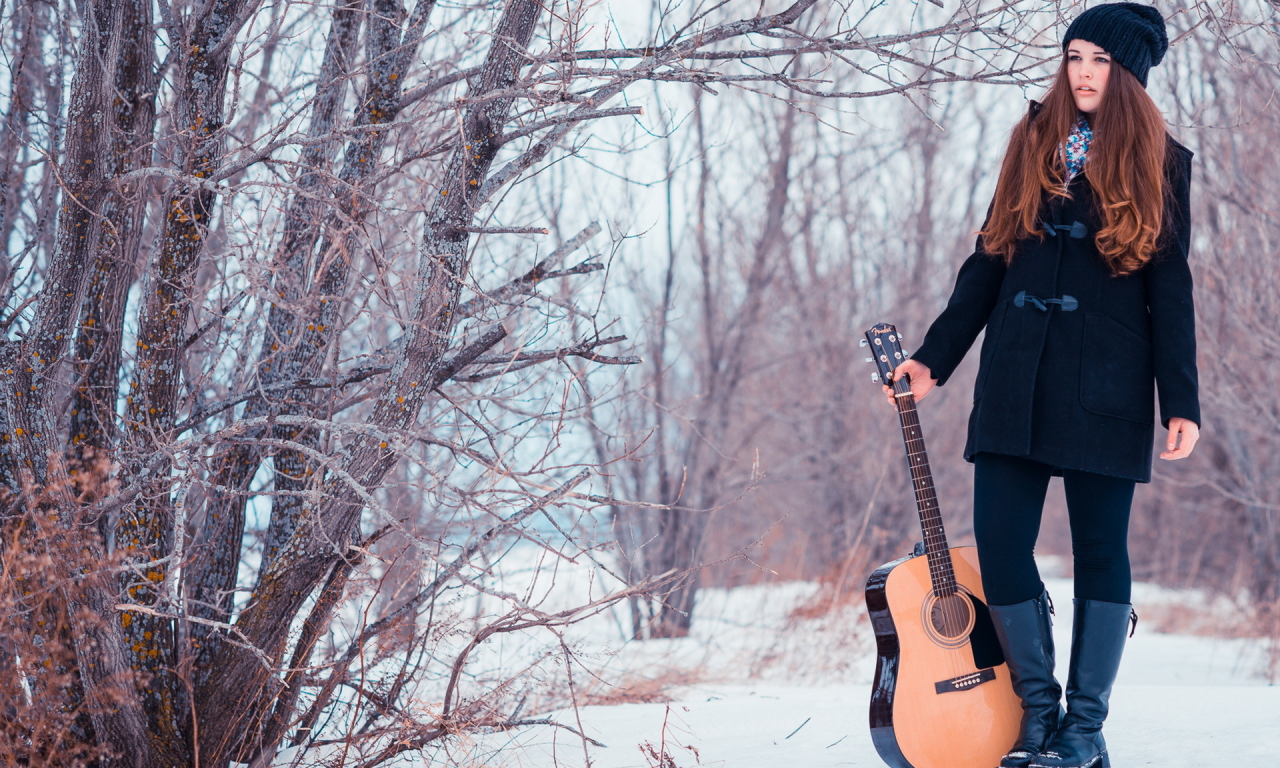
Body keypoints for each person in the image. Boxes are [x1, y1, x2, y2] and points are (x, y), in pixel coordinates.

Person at [882, 4, 1199, 768]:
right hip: (1016, 378)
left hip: (1109, 385)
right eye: (1074, 56)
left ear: (1129, 75)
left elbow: (1172, 287)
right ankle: (1038, 716)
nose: (1083, 72)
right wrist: (932, 358)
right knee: (999, 542)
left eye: (1101, 61)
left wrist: (1180, 400)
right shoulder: (1031, 141)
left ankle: (1084, 731)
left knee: (1099, 551)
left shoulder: (1163, 160)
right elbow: (988, 261)